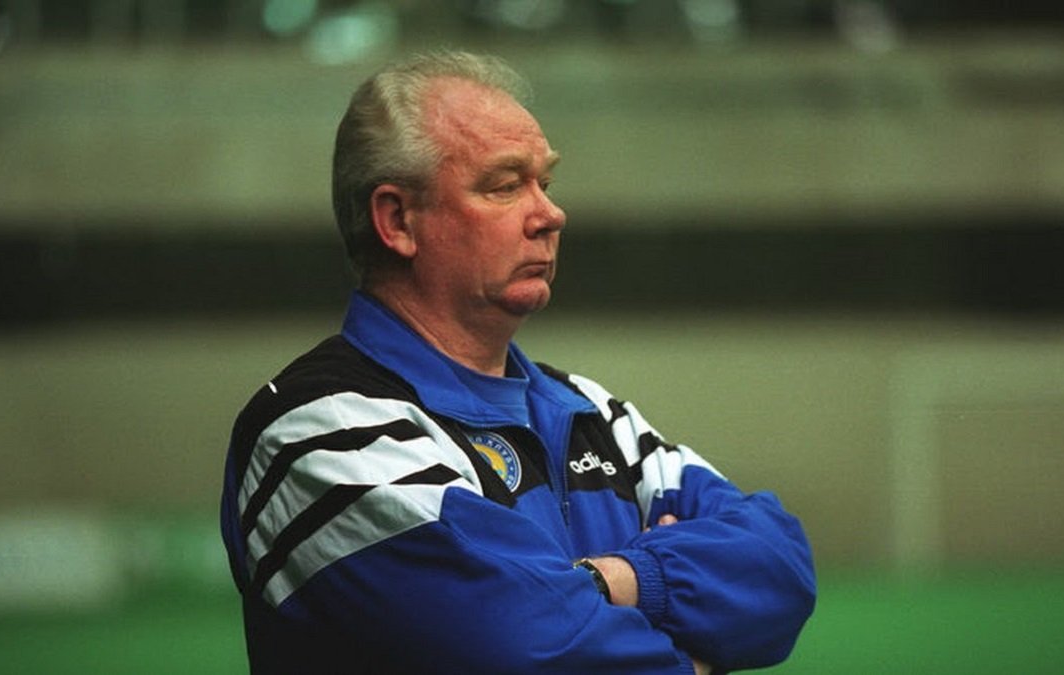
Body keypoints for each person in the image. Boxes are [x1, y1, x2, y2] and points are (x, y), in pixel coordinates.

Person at [220, 50, 815, 674]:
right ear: (397, 221)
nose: (551, 215)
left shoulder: (590, 412)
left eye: (545, 184)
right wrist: (692, 656)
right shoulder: (321, 429)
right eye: (505, 186)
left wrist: (615, 579)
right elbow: (525, 650)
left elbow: (782, 566)